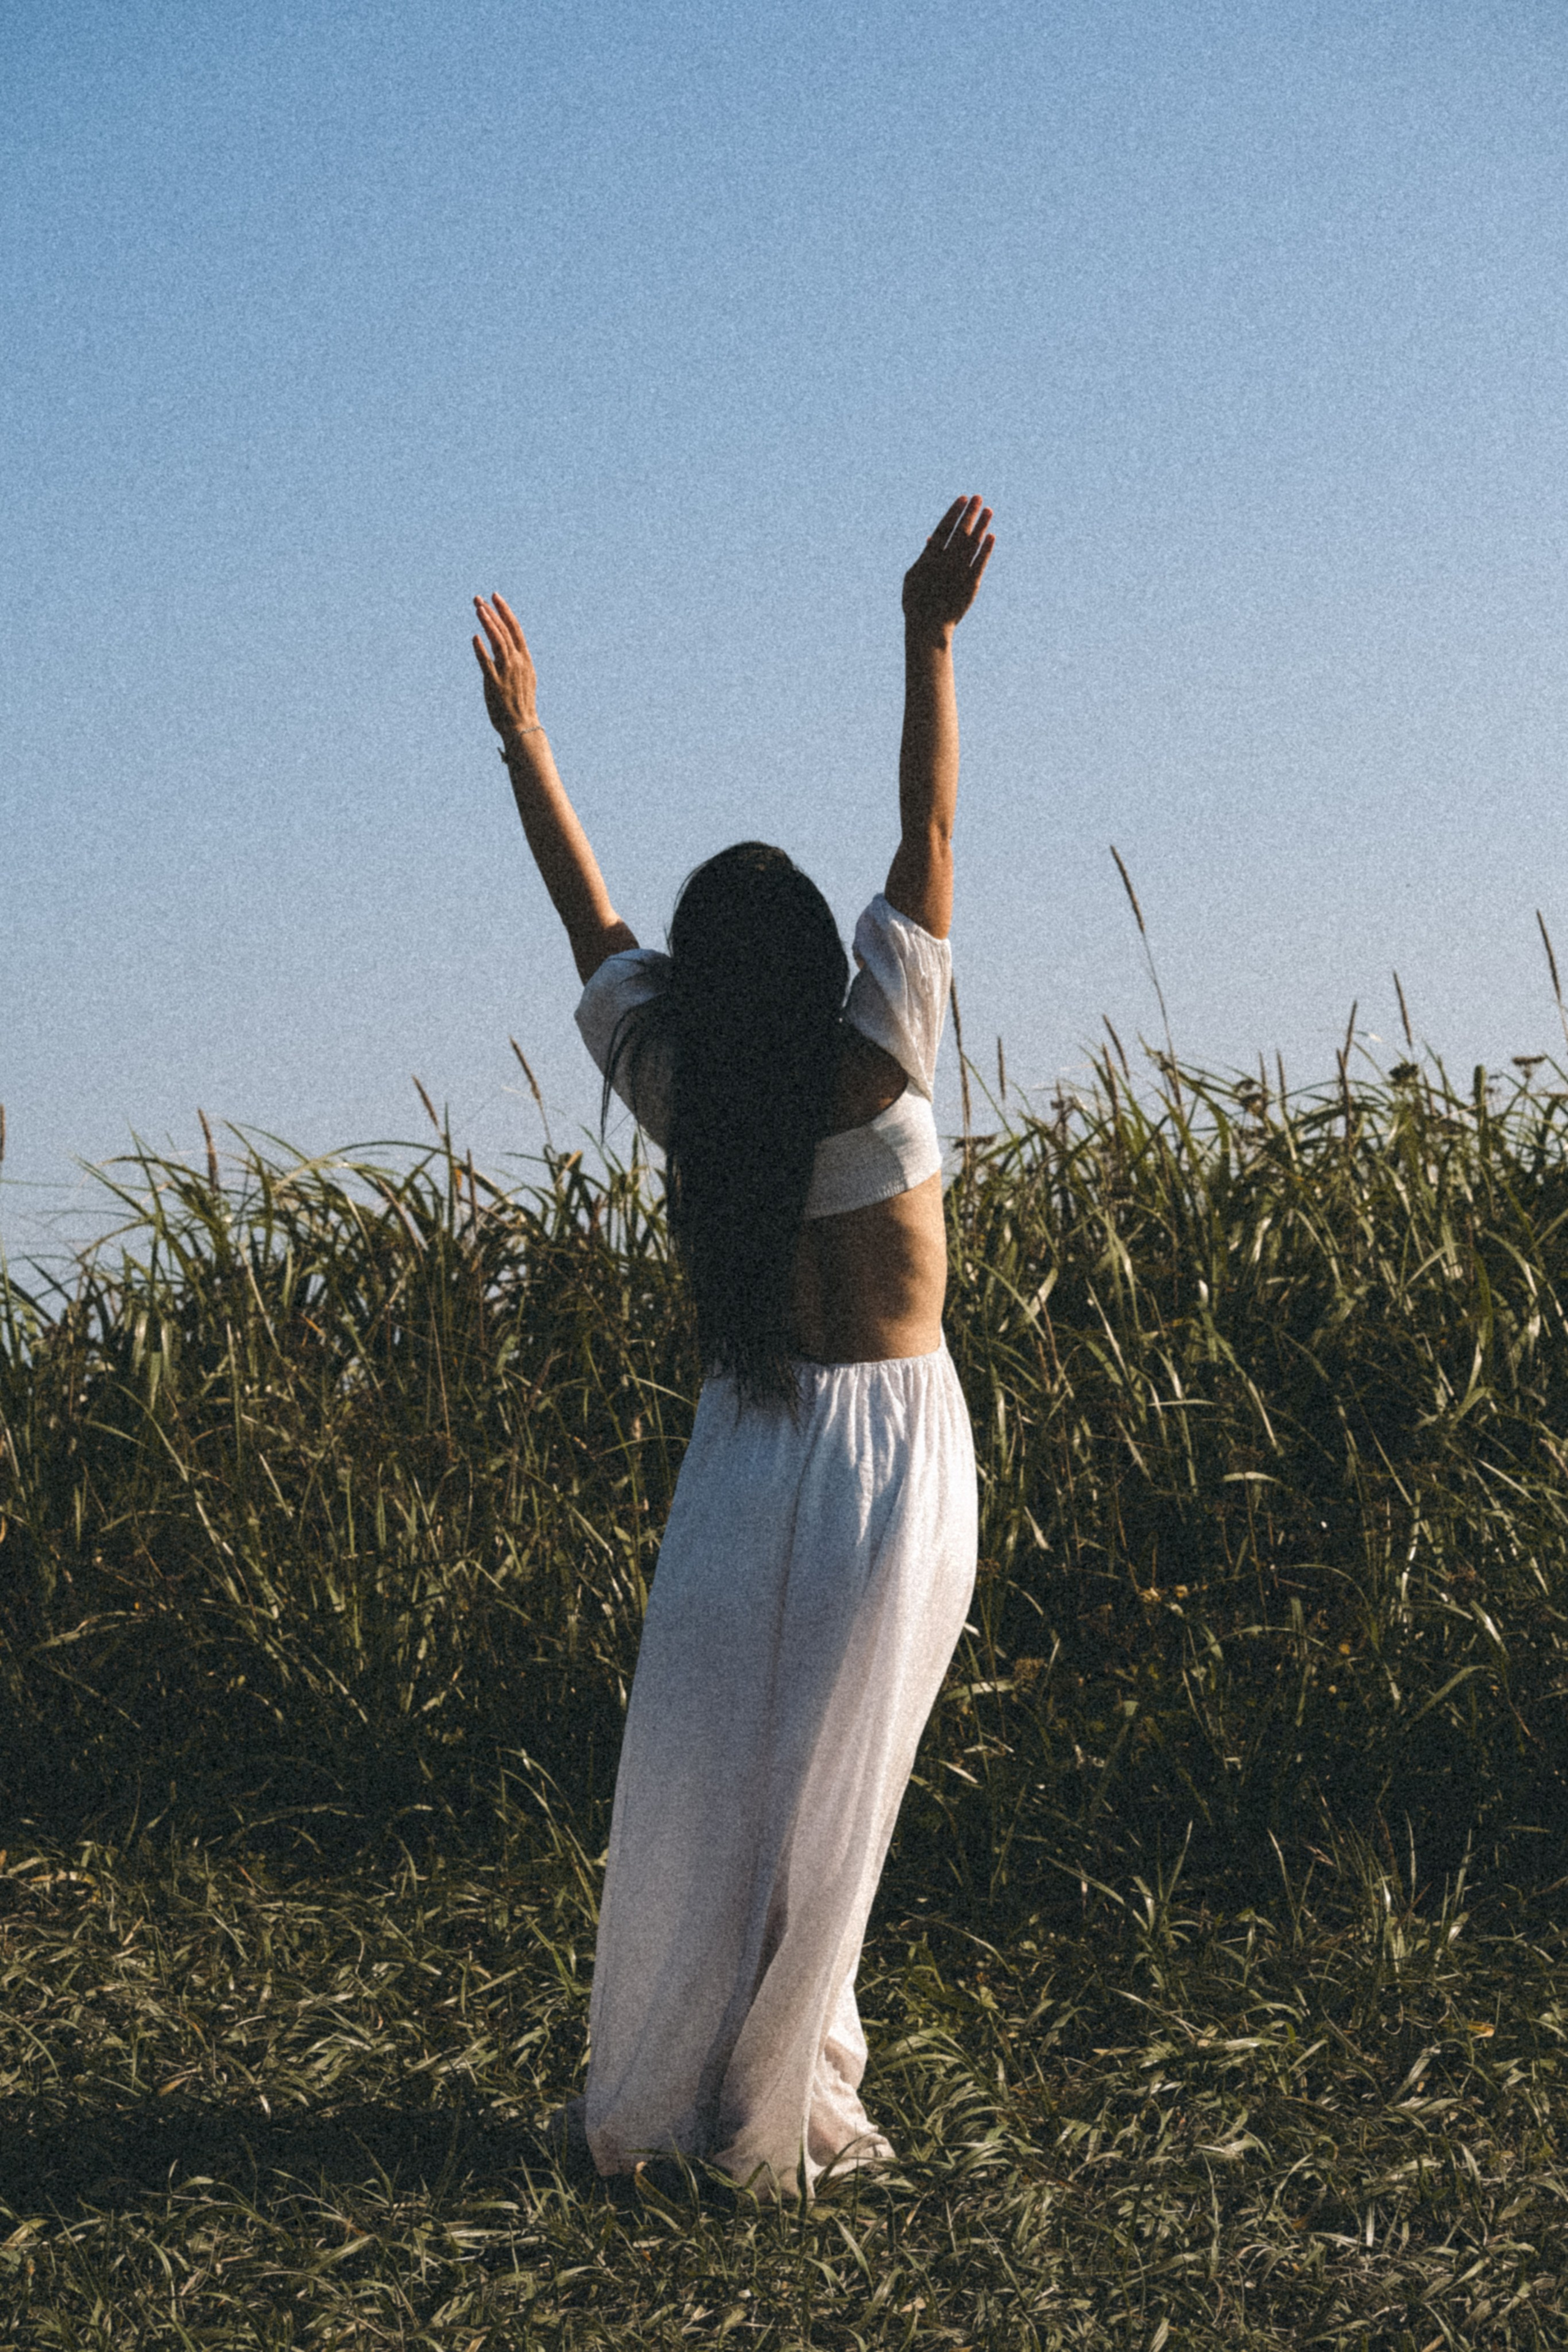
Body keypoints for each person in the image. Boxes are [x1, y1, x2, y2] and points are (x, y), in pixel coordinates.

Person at [471, 494, 995, 2197]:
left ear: (710, 979)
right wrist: (924, 638)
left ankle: (676, 2094)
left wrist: (526, 739)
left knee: (713, 1780)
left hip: (748, 1444)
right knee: (832, 1807)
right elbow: (927, 824)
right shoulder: (882, 1052)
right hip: (895, 1453)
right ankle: (779, 2103)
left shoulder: (686, 1092)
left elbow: (587, 917)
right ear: (815, 957)